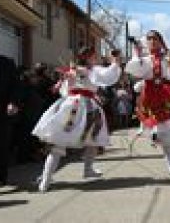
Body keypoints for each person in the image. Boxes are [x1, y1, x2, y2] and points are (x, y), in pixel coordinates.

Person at [32, 47, 121, 192]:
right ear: (87, 57)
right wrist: (115, 62)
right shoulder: (92, 70)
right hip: (83, 106)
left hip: (71, 105)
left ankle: (49, 178)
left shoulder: (77, 70)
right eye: (93, 56)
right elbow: (108, 75)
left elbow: (64, 91)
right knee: (87, 139)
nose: (95, 58)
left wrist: (69, 78)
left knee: (72, 141)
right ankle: (52, 176)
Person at [125, 30, 170, 174]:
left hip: (167, 96)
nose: (152, 41)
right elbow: (136, 70)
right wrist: (137, 53)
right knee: (160, 133)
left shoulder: (168, 58)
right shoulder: (145, 60)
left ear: (160, 41)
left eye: (155, 38)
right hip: (150, 98)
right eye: (149, 39)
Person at [0, 36, 20, 187]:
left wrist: (13, 102)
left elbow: (16, 86)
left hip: (1, 111)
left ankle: (0, 177)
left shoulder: (6, 63)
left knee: (0, 145)